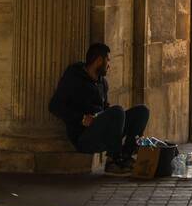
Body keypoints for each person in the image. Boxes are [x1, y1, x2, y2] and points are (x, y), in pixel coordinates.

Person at [48, 43, 149, 175]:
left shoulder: (102, 83)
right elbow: (54, 106)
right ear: (99, 61)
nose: (109, 66)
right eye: (108, 61)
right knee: (117, 111)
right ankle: (113, 160)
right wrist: (81, 118)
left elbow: (105, 109)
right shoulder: (74, 77)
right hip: (84, 136)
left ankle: (125, 156)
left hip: (102, 130)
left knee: (142, 111)